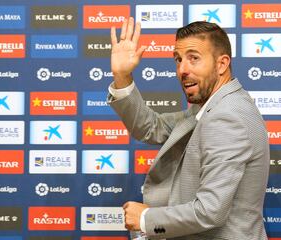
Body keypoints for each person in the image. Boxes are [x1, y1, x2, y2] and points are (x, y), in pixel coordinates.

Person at [107, 17, 269, 240]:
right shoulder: (210, 107)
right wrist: (122, 77)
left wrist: (146, 218)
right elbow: (150, 127)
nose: (182, 69)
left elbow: (210, 211)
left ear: (221, 64)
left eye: (194, 58)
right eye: (178, 59)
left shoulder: (227, 116)